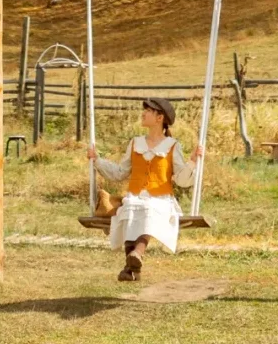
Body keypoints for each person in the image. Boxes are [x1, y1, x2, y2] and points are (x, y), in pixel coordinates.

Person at [86, 97, 203, 282]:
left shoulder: (172, 146)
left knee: (149, 210)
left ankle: (135, 256)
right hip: (135, 196)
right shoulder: (135, 143)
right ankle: (133, 266)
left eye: (148, 111)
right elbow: (120, 172)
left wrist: (192, 162)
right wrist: (97, 160)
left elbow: (181, 180)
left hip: (161, 199)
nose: (143, 113)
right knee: (130, 207)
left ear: (159, 117)